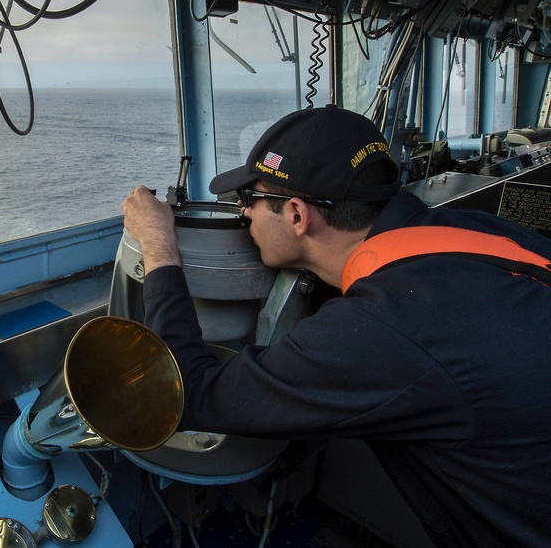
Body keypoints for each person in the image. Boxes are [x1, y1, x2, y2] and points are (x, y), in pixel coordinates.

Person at [121, 105, 551, 547]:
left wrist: (157, 242)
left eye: (249, 200)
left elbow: (188, 391)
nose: (242, 214)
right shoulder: (471, 230)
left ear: (296, 215)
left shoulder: (383, 330)